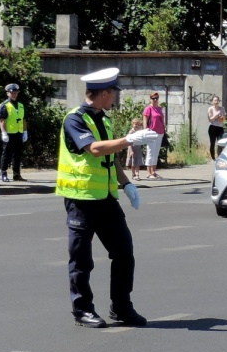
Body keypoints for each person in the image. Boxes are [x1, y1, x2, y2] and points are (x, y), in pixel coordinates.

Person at [57, 67, 157, 328]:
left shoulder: (105, 119)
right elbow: (94, 149)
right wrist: (128, 139)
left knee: (124, 253)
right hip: (81, 199)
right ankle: (82, 310)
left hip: (106, 199)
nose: (115, 98)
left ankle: (121, 307)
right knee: (82, 260)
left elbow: (110, 158)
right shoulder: (75, 119)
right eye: (113, 93)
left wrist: (127, 185)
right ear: (104, 93)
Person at [0, 83, 28, 182]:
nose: (14, 94)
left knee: (17, 154)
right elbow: (2, 120)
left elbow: (24, 120)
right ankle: (3, 173)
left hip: (19, 133)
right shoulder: (5, 105)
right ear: (8, 93)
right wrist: (4, 133)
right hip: (9, 133)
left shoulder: (21, 105)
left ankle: (16, 174)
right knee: (6, 154)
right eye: (12, 92)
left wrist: (25, 132)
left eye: (15, 92)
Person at [142, 92, 165, 179]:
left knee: (156, 152)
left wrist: (164, 128)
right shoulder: (148, 108)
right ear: (150, 99)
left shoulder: (159, 108)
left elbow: (162, 119)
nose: (155, 100)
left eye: (156, 98)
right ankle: (148, 172)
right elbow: (145, 120)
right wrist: (145, 131)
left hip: (160, 132)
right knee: (150, 152)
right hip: (151, 132)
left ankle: (154, 171)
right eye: (153, 98)